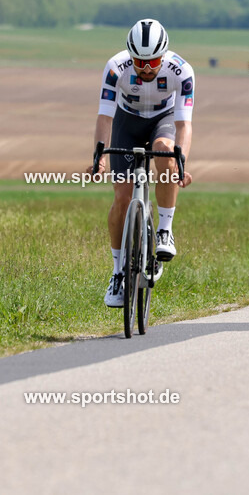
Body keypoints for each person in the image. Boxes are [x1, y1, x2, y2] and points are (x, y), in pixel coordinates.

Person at [90, 19, 194, 307]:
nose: (146, 69)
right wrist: (99, 158)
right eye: (139, 62)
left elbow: (184, 125)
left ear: (164, 56)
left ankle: (165, 230)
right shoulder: (115, 68)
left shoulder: (182, 71)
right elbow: (105, 117)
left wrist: (181, 162)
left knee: (165, 150)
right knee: (122, 197)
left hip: (163, 120)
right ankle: (117, 273)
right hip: (127, 122)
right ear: (130, 56)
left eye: (153, 62)